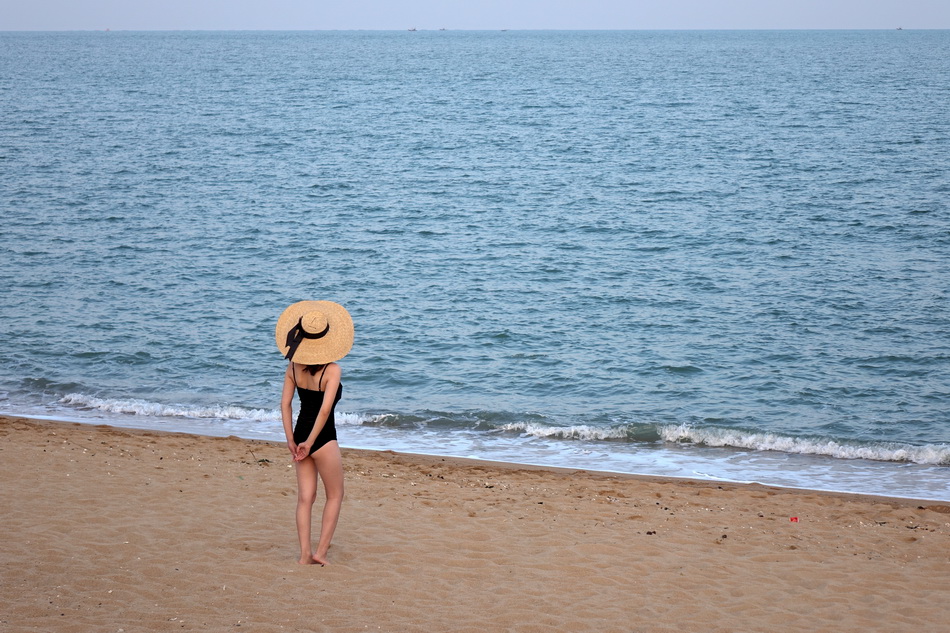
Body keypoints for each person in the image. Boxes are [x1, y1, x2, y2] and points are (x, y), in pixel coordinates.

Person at [276, 300, 354, 565]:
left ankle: (303, 556)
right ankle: (320, 552)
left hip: (298, 434)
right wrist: (310, 442)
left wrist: (292, 440)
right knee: (335, 495)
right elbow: (324, 411)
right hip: (321, 439)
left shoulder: (293, 367)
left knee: (305, 499)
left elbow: (285, 404)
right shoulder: (333, 370)